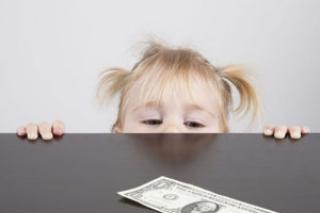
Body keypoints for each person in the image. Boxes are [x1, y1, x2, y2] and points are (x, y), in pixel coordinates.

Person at [16, 38, 311, 140]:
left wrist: (286, 153)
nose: (171, 131)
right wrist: (40, 149)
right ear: (118, 133)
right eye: (152, 121)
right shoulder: (100, 179)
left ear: (223, 137)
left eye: (194, 123)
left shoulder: (235, 180)